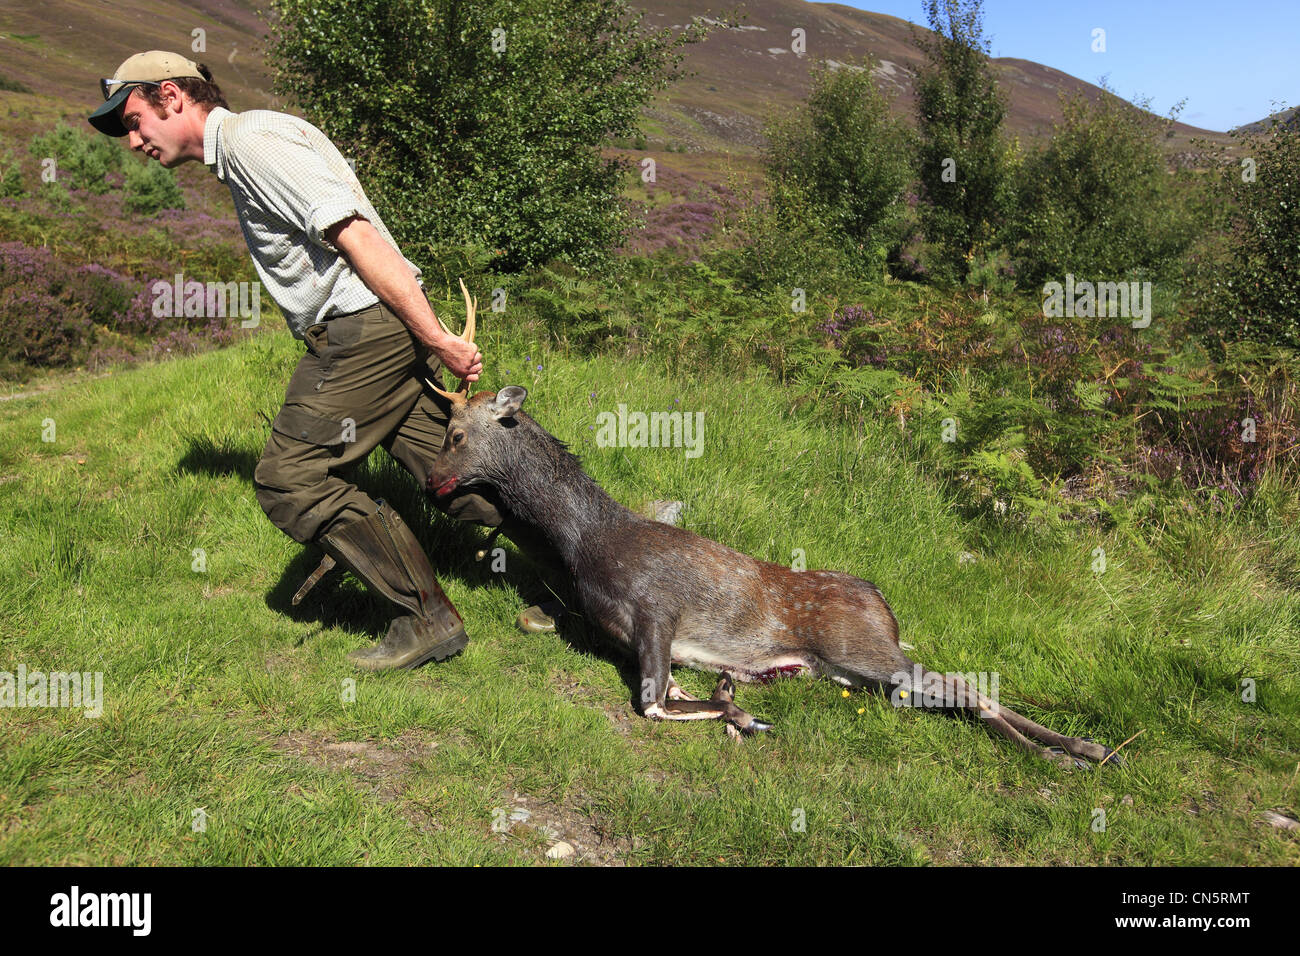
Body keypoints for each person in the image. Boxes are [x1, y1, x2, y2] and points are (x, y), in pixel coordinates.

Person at [88, 50, 517, 670]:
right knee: (453, 472)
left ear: (171, 96)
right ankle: (586, 569)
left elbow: (357, 235)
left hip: (363, 332)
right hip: (381, 328)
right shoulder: (252, 142)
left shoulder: (252, 145)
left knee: (290, 480)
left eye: (134, 121)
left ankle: (425, 619)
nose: (133, 141)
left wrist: (437, 337)